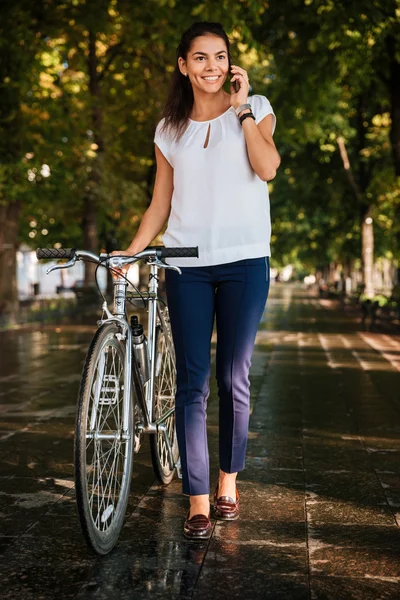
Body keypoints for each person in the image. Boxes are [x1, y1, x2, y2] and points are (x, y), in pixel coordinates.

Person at [112, 21, 280, 540]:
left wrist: (244, 110)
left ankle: (229, 480)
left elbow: (268, 167)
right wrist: (132, 251)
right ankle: (199, 499)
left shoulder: (256, 109)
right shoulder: (169, 130)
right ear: (183, 65)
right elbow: (161, 202)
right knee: (192, 384)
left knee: (233, 377)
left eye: (220, 56)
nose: (212, 67)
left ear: (232, 63)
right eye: (200, 58)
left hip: (245, 262)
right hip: (184, 263)